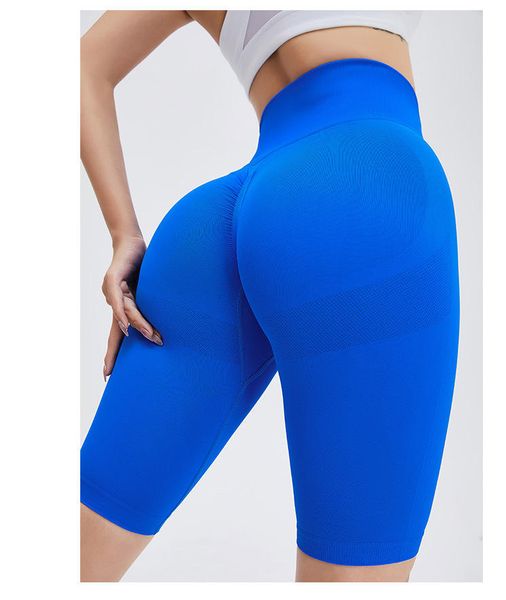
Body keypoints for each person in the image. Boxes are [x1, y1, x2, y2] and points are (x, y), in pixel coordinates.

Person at [80, 10, 459, 582]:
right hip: (365, 181)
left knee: (72, 552)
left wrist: (123, 236)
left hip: (210, 226)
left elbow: (82, 65)